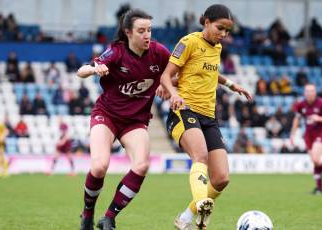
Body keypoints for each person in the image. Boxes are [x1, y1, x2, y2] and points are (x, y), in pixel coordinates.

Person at [158, 4, 252, 229]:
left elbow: (209, 71)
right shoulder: (188, 42)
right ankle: (202, 204)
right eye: (220, 28)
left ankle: (186, 218)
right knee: (200, 156)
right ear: (206, 22)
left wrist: (231, 84)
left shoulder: (217, 48)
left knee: (221, 178)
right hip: (184, 111)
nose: (224, 35)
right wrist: (173, 94)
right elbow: (165, 76)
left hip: (209, 117)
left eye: (227, 31)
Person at [76, 9, 170, 230]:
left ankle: (108, 217)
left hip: (135, 120)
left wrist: (168, 86)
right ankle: (87, 214)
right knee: (99, 167)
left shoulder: (159, 53)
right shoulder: (116, 52)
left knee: (142, 165)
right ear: (128, 33)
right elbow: (82, 71)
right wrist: (93, 69)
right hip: (107, 115)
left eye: (149, 30)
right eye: (141, 31)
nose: (147, 35)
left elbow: (175, 72)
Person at [290, 84, 322, 195]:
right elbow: (297, 119)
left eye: (312, 91)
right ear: (304, 93)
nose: (310, 93)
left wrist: (319, 118)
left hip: (320, 133)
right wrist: (292, 135)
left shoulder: (321, 103)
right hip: (308, 135)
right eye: (307, 91)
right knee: (316, 162)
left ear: (315, 92)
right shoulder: (301, 104)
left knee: (315, 159)